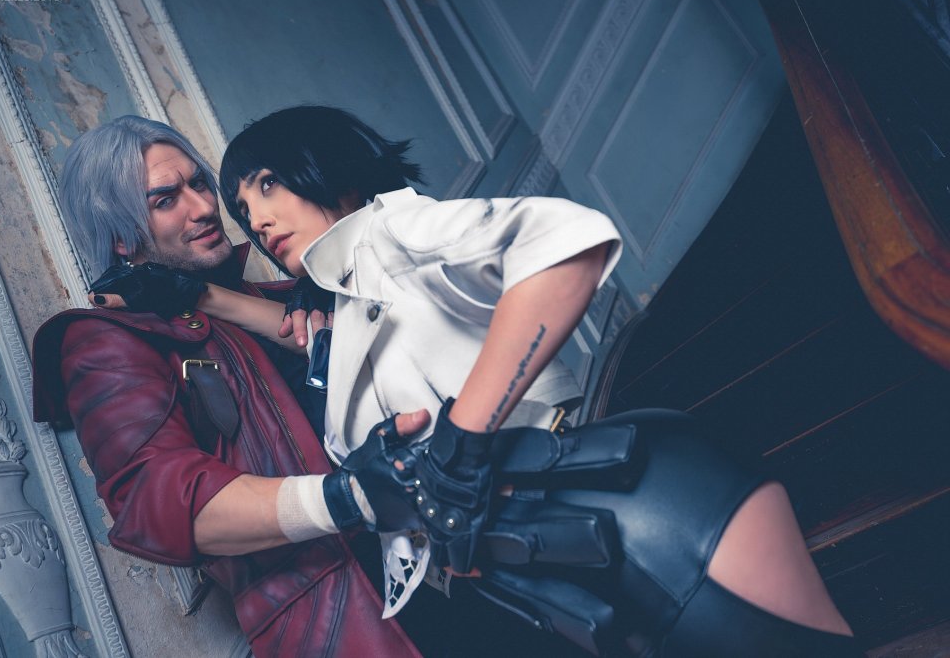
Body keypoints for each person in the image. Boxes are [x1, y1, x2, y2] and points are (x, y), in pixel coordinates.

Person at [91, 106, 861, 657]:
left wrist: (463, 435)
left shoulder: (394, 229)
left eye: (264, 186)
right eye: (242, 206)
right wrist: (196, 295)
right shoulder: (349, 305)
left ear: (322, 164)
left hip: (640, 512)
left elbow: (567, 244)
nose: (252, 219)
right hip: (557, 560)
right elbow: (308, 334)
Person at [30, 115, 423, 657]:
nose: (203, 207)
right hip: (350, 610)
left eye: (199, 183)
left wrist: (314, 286)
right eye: (165, 200)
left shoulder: (287, 291)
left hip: (455, 544)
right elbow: (161, 501)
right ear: (121, 237)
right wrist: (348, 497)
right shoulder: (104, 341)